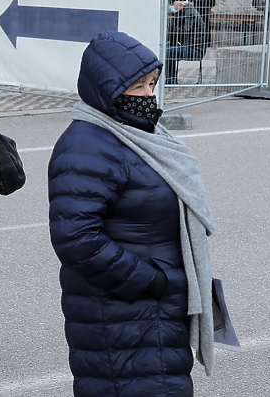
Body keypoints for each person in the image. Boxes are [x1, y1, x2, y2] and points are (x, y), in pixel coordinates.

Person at [48, 31, 216, 397]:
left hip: (151, 308)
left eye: (151, 84)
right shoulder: (87, 145)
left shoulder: (139, 133)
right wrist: (151, 281)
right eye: (137, 87)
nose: (147, 96)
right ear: (105, 90)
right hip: (124, 309)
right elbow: (75, 238)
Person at [165, 0, 205, 84]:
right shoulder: (184, 12)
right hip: (187, 45)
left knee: (167, 52)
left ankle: (170, 80)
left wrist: (172, 25)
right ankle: (170, 79)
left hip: (194, 49)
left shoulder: (190, 14)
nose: (171, 7)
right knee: (164, 49)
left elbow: (184, 32)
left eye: (172, 5)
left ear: (179, 4)